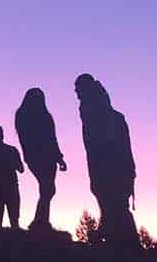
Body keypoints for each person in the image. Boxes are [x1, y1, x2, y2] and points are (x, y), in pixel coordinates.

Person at [74, 74, 139, 252]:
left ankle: (124, 247)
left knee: (115, 207)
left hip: (111, 170)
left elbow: (109, 147)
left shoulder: (99, 116)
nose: (76, 93)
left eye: (78, 89)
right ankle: (119, 244)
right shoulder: (104, 116)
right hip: (109, 169)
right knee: (113, 207)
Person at [14, 88, 67, 232]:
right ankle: (40, 222)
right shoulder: (31, 115)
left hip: (44, 157)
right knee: (48, 188)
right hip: (39, 156)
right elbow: (47, 138)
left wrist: (59, 158)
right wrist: (58, 157)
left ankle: (41, 221)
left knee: (47, 189)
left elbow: (52, 137)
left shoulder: (35, 115)